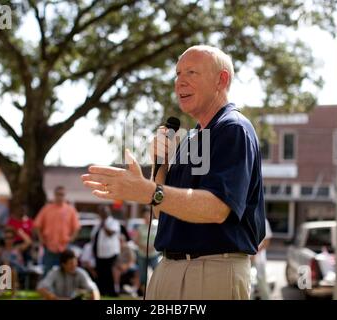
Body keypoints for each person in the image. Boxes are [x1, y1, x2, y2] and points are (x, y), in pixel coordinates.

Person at [81, 45, 266, 300]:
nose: (180, 81)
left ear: (221, 80)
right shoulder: (190, 139)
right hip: (167, 268)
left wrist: (149, 191)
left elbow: (217, 208)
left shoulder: (233, 129)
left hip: (211, 272)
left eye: (192, 72)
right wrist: (161, 166)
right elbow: (159, 208)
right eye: (178, 74)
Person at [34, 186, 80, 275]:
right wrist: (41, 239)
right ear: (54, 195)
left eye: (62, 195)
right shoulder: (47, 209)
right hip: (49, 246)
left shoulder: (70, 210)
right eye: (58, 194)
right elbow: (37, 225)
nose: (60, 197)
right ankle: (46, 288)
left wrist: (71, 239)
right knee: (47, 271)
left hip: (64, 246)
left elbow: (76, 227)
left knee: (65, 271)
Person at [0, 227, 32, 297]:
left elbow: (29, 242)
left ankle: (2, 287)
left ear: (14, 239)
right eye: (6, 238)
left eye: (10, 238)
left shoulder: (17, 248)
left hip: (19, 270)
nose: (8, 240)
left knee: (11, 267)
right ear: (4, 239)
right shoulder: (1, 250)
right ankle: (13, 293)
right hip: (4, 270)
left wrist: (20, 233)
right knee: (8, 266)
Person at [91, 204, 120, 297]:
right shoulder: (98, 224)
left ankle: (112, 292)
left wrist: (104, 225)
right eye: (100, 212)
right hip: (99, 253)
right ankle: (101, 291)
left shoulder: (113, 222)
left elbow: (111, 233)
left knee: (109, 272)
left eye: (103, 211)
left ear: (107, 212)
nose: (101, 213)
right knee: (101, 273)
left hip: (110, 252)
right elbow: (93, 237)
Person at [134, 208, 159, 295]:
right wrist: (143, 246)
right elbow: (136, 240)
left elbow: (158, 239)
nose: (147, 218)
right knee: (143, 275)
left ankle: (156, 291)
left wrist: (153, 246)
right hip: (142, 254)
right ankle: (142, 292)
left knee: (156, 272)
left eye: (148, 216)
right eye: (145, 216)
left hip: (153, 254)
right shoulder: (140, 228)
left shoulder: (156, 227)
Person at [252, 218, 273, 300]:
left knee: (262, 283)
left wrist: (254, 253)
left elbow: (267, 242)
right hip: (245, 258)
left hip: (259, 259)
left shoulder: (263, 220)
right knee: (247, 284)